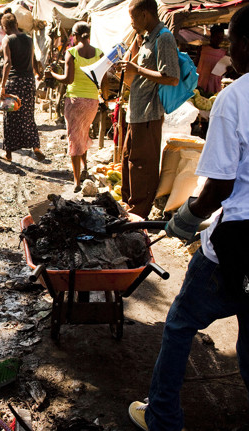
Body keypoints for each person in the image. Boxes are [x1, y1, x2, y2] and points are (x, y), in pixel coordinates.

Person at [128, 6, 249, 430]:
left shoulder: (235, 97)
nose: (230, 52)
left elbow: (219, 189)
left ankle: (162, 416)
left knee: (179, 324)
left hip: (238, 243)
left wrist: (182, 219)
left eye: (231, 42)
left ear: (245, 44)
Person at [119, 0, 179, 219]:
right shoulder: (146, 38)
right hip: (136, 112)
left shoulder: (164, 37)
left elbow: (171, 77)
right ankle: (128, 207)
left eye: (133, 18)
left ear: (145, 15)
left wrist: (138, 69)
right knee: (129, 160)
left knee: (143, 165)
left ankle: (138, 214)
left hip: (149, 113)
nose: (132, 23)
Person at [45, 21, 108, 193]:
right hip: (92, 101)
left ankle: (77, 181)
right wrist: (106, 97)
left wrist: (52, 74)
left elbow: (68, 79)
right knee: (84, 132)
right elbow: (104, 78)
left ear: (74, 35)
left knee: (74, 137)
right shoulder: (99, 53)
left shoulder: (71, 53)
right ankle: (85, 167)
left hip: (75, 100)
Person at [0, 12, 45, 163]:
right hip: (28, 81)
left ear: (5, 27)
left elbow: (7, 62)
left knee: (10, 117)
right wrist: (37, 74)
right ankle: (36, 146)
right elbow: (33, 60)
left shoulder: (7, 39)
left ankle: (8, 154)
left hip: (14, 82)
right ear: (16, 24)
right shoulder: (29, 39)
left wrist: (2, 85)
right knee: (27, 115)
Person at [195, 24, 227, 94]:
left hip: (215, 86)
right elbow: (195, 64)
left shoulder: (223, 53)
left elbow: (224, 70)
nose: (219, 39)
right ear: (212, 36)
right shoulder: (202, 49)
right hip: (200, 83)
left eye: (221, 37)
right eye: (217, 37)